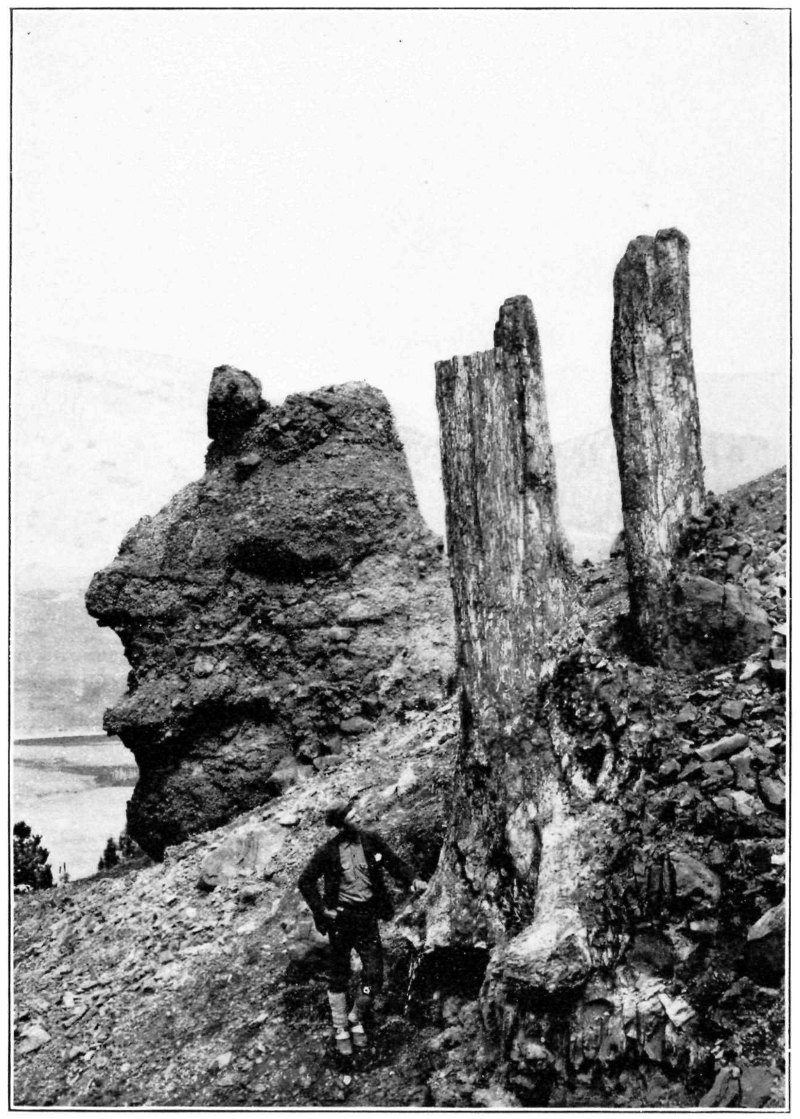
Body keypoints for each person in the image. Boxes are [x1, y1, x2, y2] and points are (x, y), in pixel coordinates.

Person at [298, 799, 426, 1055]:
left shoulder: (371, 841)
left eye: (357, 814)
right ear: (340, 824)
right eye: (351, 817)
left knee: (374, 974)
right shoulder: (328, 851)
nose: (358, 818)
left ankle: (356, 1014)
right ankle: (340, 1028)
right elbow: (306, 881)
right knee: (339, 973)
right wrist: (322, 910)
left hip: (367, 917)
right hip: (341, 921)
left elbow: (394, 863)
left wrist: (413, 880)